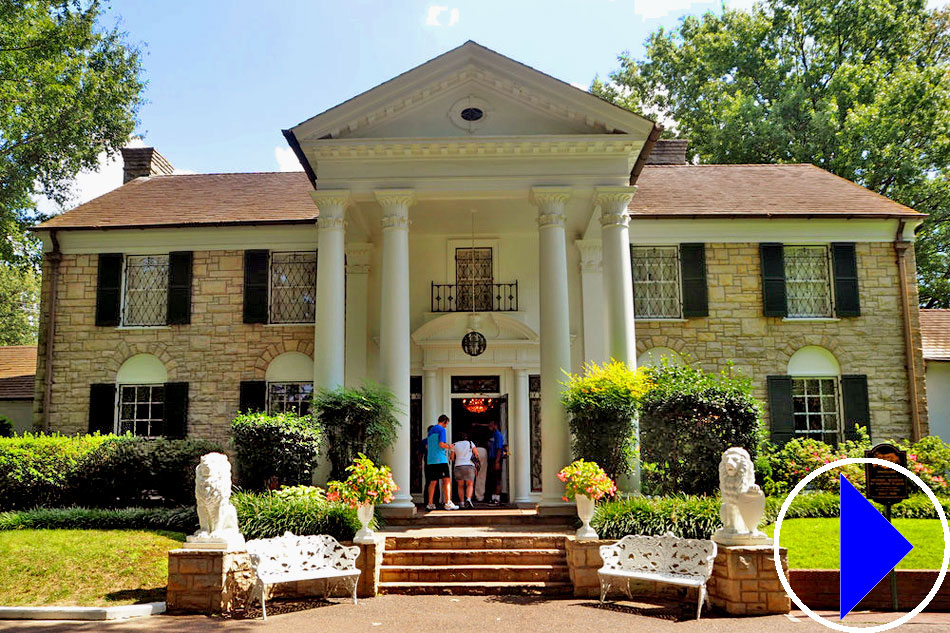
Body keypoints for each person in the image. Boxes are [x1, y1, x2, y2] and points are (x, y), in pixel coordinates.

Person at [426, 414, 458, 510]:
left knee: (433, 482)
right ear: (444, 422)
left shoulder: (431, 431)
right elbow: (441, 444)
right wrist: (450, 446)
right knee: (446, 480)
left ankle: (430, 503)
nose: (446, 426)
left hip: (431, 459)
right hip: (440, 459)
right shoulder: (441, 429)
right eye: (446, 424)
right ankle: (448, 502)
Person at [453, 431, 478, 509]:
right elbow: (476, 454)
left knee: (460, 486)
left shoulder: (454, 445)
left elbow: (452, 457)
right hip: (469, 466)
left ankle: (462, 503)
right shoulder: (470, 443)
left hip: (458, 466)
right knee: (469, 484)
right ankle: (468, 499)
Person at [486, 420, 506, 505]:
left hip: (496, 459)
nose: (489, 427)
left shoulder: (498, 435)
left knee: (497, 478)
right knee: (493, 479)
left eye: (490, 425)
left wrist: (497, 461)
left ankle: (497, 498)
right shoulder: (493, 435)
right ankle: (493, 498)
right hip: (492, 459)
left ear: (495, 425)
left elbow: (499, 449)